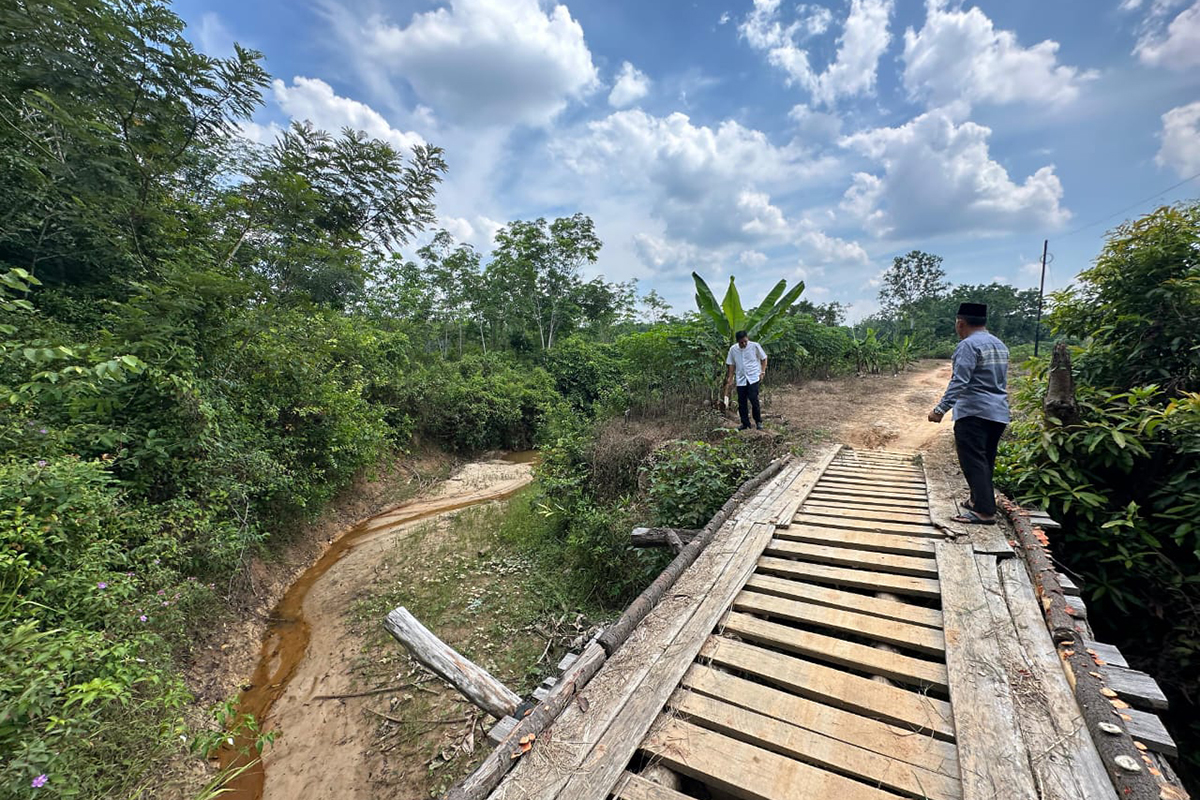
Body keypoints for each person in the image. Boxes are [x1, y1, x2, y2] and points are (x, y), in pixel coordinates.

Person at [927, 302, 1010, 524]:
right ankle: (977, 501)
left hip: (974, 412)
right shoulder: (1000, 345)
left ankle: (984, 511)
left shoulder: (968, 346)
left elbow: (960, 382)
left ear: (960, 323)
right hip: (998, 412)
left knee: (973, 460)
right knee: (985, 459)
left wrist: (940, 409)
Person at [724, 331, 768, 430]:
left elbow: (764, 358)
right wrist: (730, 378)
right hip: (741, 379)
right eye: (741, 343)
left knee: (753, 399)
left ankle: (758, 421)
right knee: (742, 401)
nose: (743, 344)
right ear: (737, 342)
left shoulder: (754, 346)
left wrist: (762, 371)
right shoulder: (733, 349)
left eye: (745, 342)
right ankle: (745, 423)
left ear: (747, 339)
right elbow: (731, 364)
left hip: (753, 377)